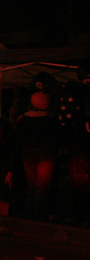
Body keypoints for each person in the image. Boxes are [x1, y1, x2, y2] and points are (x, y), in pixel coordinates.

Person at [16, 91, 60, 221]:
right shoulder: (51, 122)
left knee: (31, 184)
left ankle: (29, 210)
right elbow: (57, 139)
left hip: (29, 155)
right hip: (45, 156)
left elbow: (19, 139)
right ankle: (39, 213)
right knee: (42, 185)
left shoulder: (24, 121)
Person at [57, 67, 90, 224]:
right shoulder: (80, 93)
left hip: (76, 143)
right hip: (80, 143)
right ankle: (82, 215)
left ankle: (80, 214)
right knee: (81, 181)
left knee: (79, 181)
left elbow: (65, 119)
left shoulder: (73, 92)